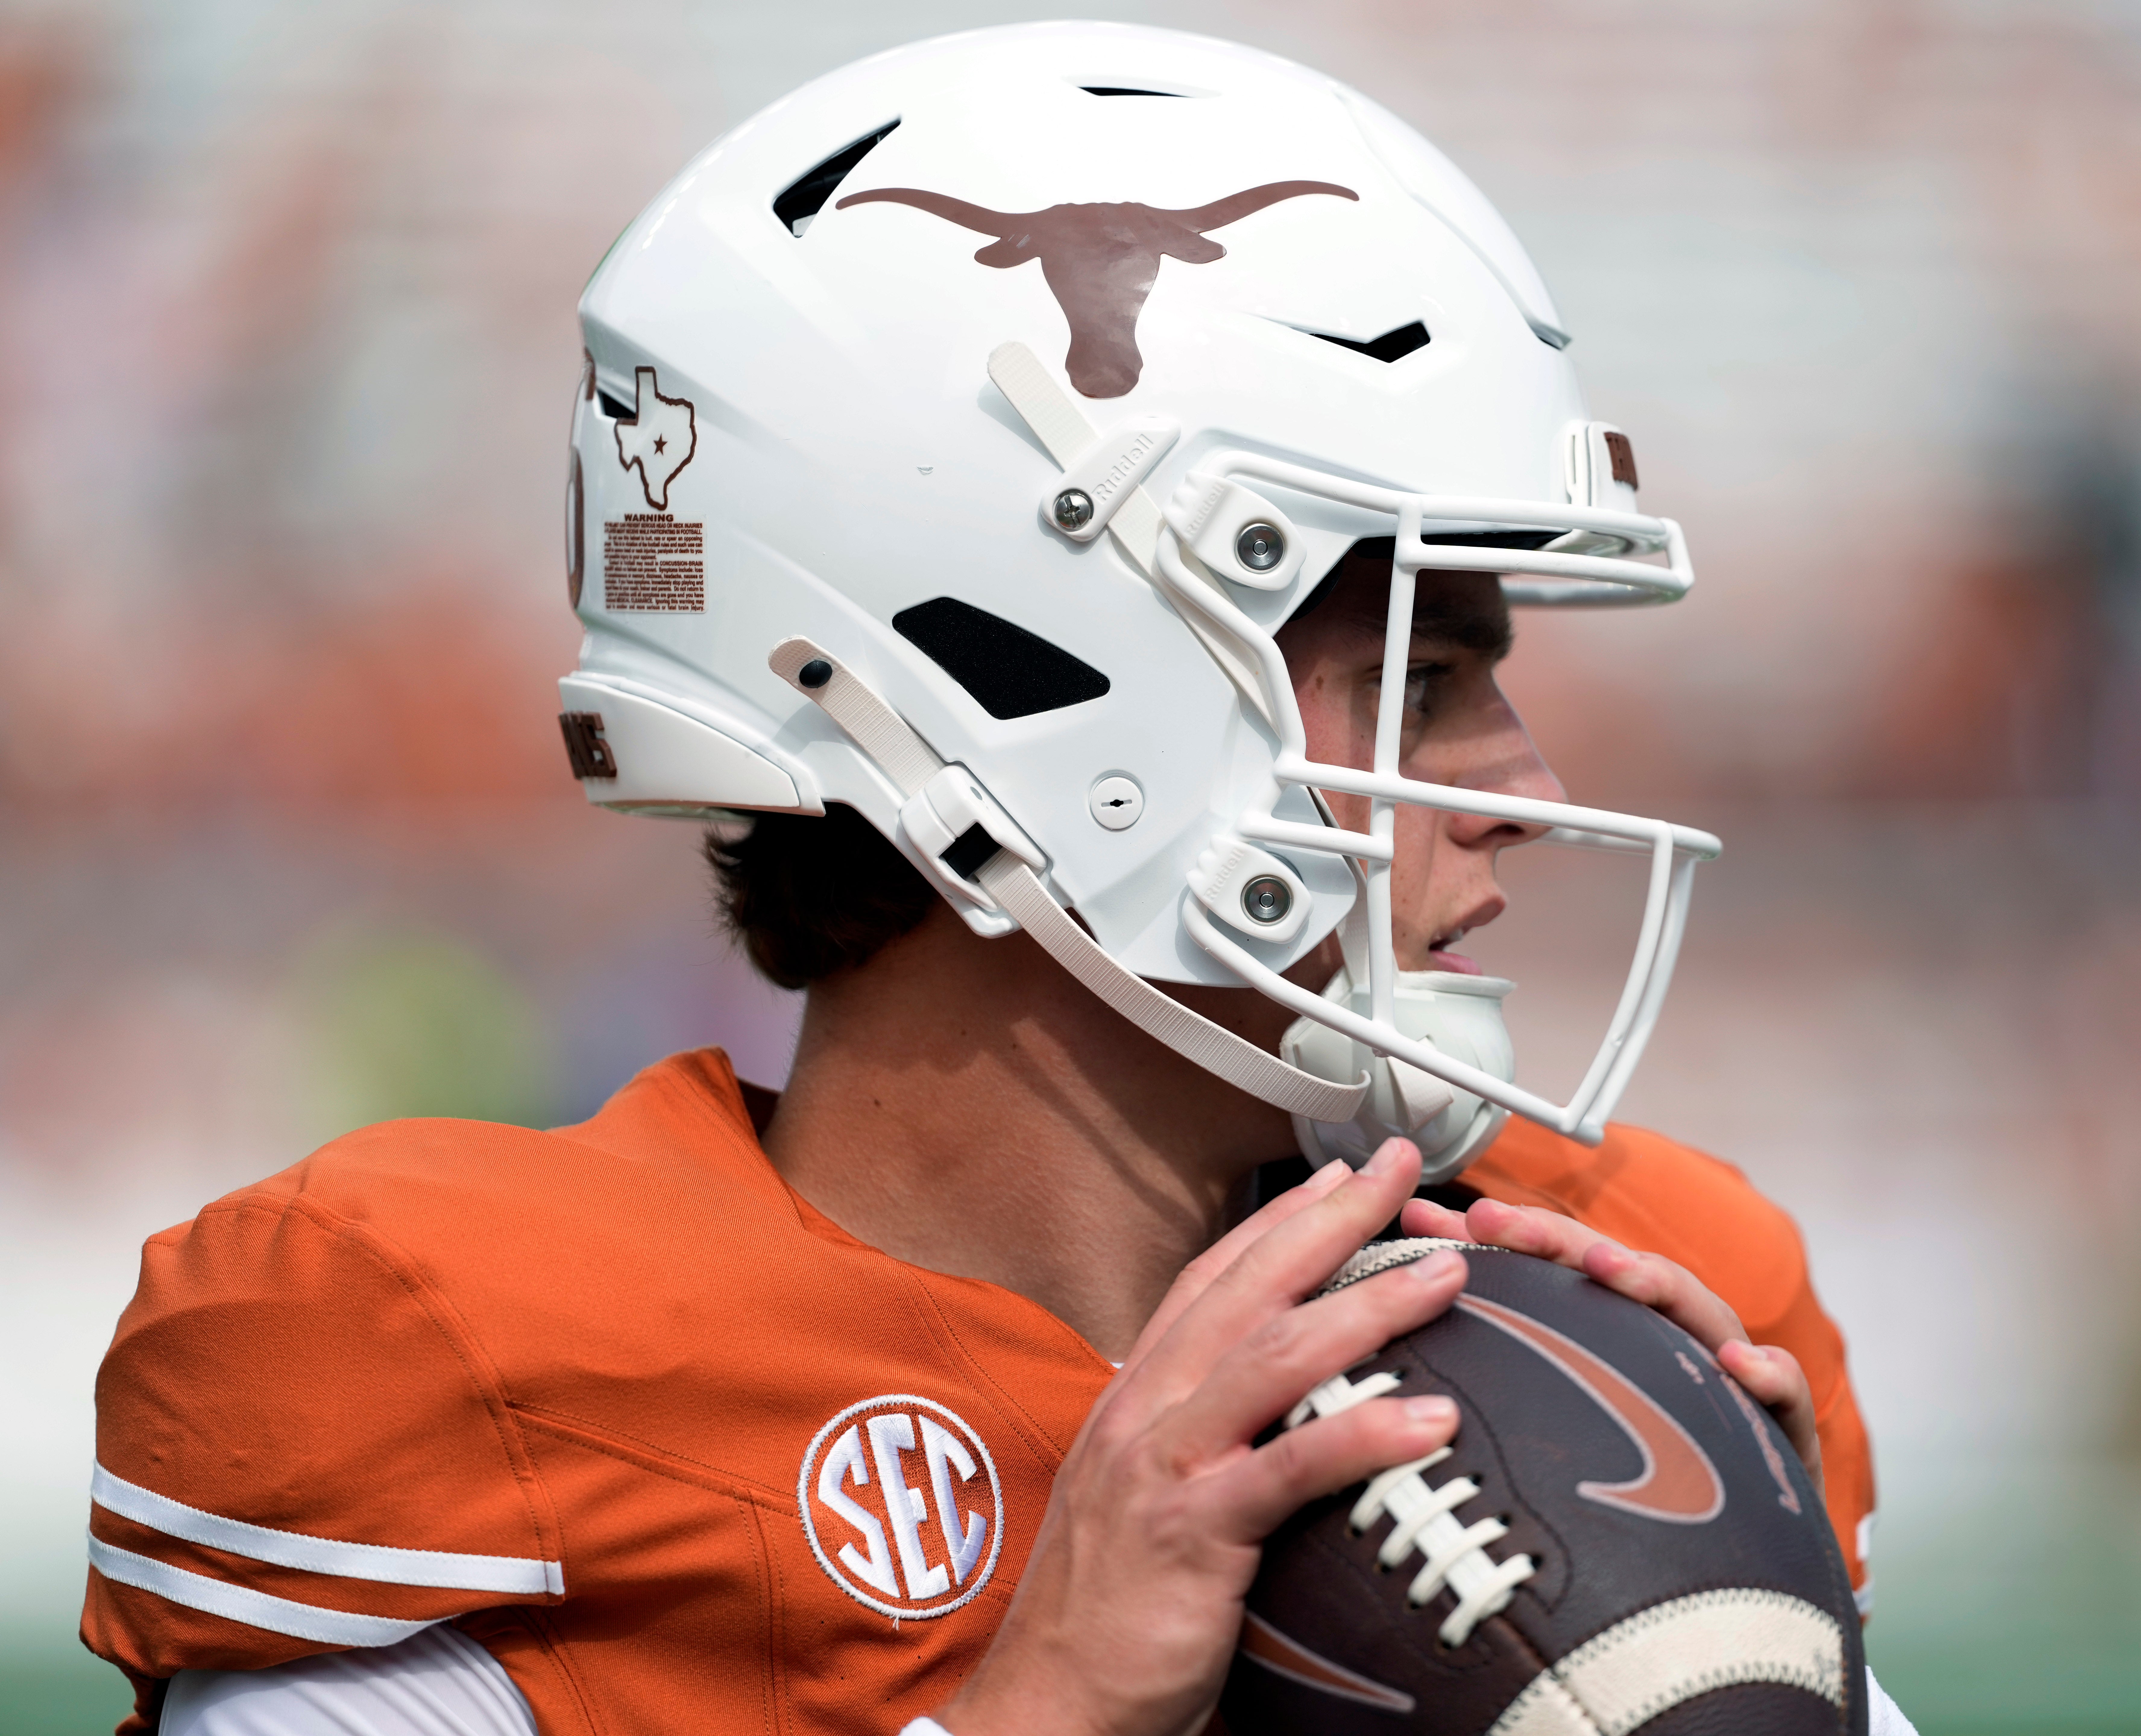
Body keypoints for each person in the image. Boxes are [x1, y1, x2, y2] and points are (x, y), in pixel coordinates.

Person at [80, 23, 1903, 1736]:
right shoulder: (488, 1375)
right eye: (1420, 685)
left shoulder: (1627, 1314)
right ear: (1025, 690)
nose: (1527, 792)